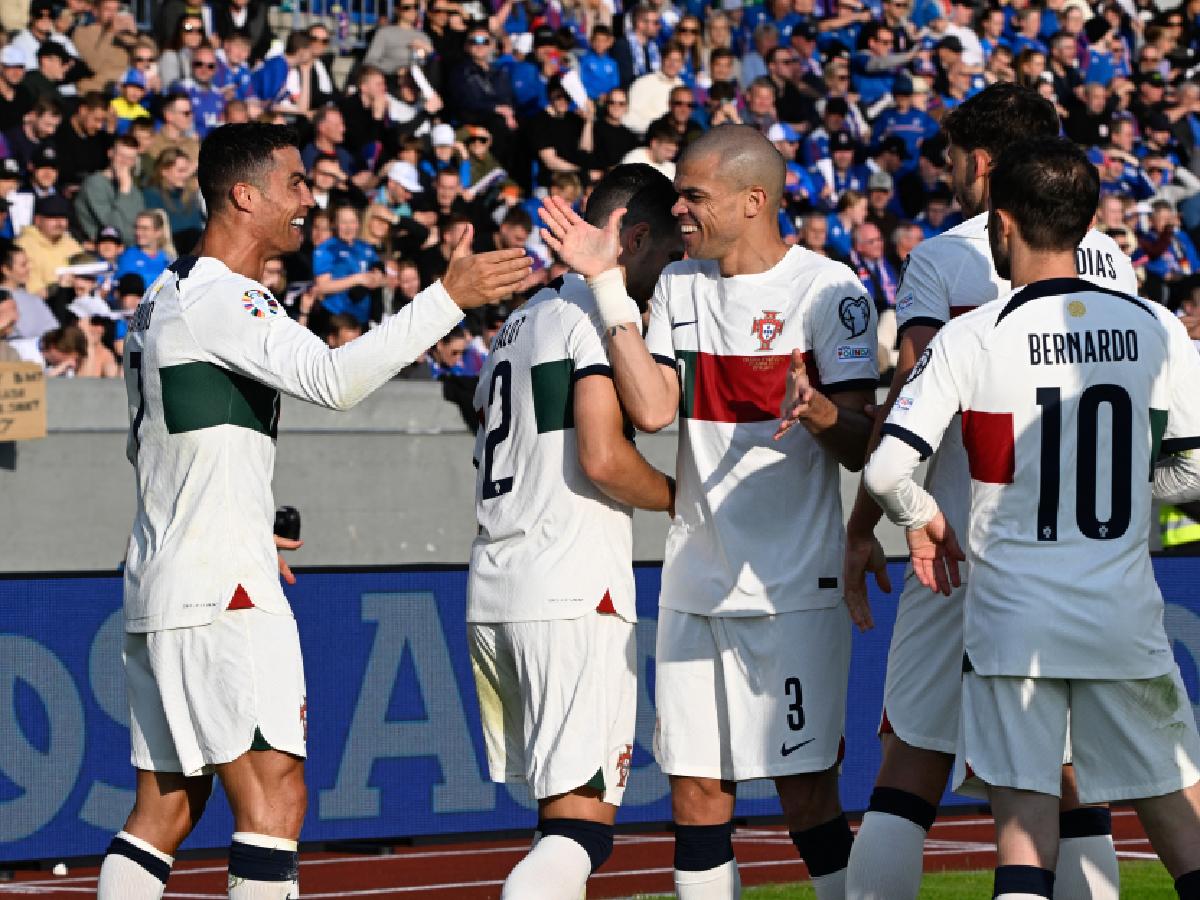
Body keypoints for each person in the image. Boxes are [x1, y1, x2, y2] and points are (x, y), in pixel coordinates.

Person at [94, 121, 530, 900]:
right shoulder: (223, 297)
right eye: (295, 183)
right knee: (275, 798)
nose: (309, 198)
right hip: (218, 588)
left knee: (165, 806)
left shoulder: (166, 292)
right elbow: (335, 380)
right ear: (244, 194)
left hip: (166, 575)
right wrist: (446, 300)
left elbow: (172, 445)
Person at [541, 124, 877, 900]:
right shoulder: (683, 289)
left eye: (695, 195)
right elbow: (655, 411)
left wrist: (822, 413)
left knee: (807, 796)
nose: (681, 210)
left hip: (793, 591)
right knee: (696, 799)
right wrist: (604, 285)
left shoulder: (829, 291)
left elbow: (863, 442)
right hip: (696, 584)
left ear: (754, 200)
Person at [863, 134, 1200, 900]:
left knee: (1023, 838)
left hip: (1011, 621)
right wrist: (1127, 491)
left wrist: (920, 514)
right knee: (1181, 824)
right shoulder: (1158, 327)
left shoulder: (971, 336)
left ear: (1003, 224)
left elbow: (886, 466)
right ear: (1085, 224)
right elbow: (1195, 468)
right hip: (1123, 615)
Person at [472, 164, 678, 900]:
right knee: (581, 830)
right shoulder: (594, 314)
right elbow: (603, 456)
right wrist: (681, 499)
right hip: (570, 587)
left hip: (499, 583)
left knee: (558, 819)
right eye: (670, 248)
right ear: (638, 236)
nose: (674, 267)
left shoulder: (518, 321)